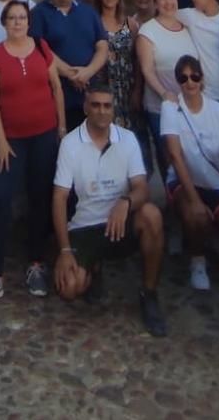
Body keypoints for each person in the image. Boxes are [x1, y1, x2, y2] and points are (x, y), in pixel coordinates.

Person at [52, 80, 167, 337]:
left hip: (119, 223)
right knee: (69, 288)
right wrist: (64, 250)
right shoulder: (71, 143)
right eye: (96, 105)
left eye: (107, 106)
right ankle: (93, 267)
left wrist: (125, 203)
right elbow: (59, 198)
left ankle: (148, 293)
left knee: (151, 215)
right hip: (84, 226)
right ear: (86, 108)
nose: (102, 111)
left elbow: (141, 187)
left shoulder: (126, 140)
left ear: (114, 109)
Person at [0, 0, 67, 308]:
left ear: (29, 22)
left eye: (21, 17)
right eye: (11, 18)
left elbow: (55, 87)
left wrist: (61, 127)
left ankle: (36, 264)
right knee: (1, 199)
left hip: (44, 136)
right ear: (4, 23)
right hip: (11, 140)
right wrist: (0, 140)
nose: (17, 22)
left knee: (40, 198)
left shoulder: (41, 47)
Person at [160, 56, 219, 290]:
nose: (190, 82)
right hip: (184, 181)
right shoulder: (171, 108)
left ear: (202, 78)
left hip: (217, 183)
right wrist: (195, 199)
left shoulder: (217, 110)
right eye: (184, 78)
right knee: (196, 215)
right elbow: (175, 155)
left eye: (195, 76)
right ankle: (197, 260)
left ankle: (216, 243)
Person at [29, 0, 108, 130]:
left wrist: (88, 72)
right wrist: (71, 74)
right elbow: (40, 50)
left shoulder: (89, 12)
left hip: (91, 97)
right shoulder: (38, 14)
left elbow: (102, 46)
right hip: (57, 98)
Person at [136, 0, 195, 166]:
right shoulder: (148, 31)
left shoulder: (187, 27)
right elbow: (147, 69)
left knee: (190, 156)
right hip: (161, 107)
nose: (168, 2)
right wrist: (164, 94)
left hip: (189, 104)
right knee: (169, 159)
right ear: (155, 3)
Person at [94, 0, 136, 128]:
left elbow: (136, 58)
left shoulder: (130, 23)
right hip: (104, 84)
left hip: (126, 85)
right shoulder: (94, 22)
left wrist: (137, 90)